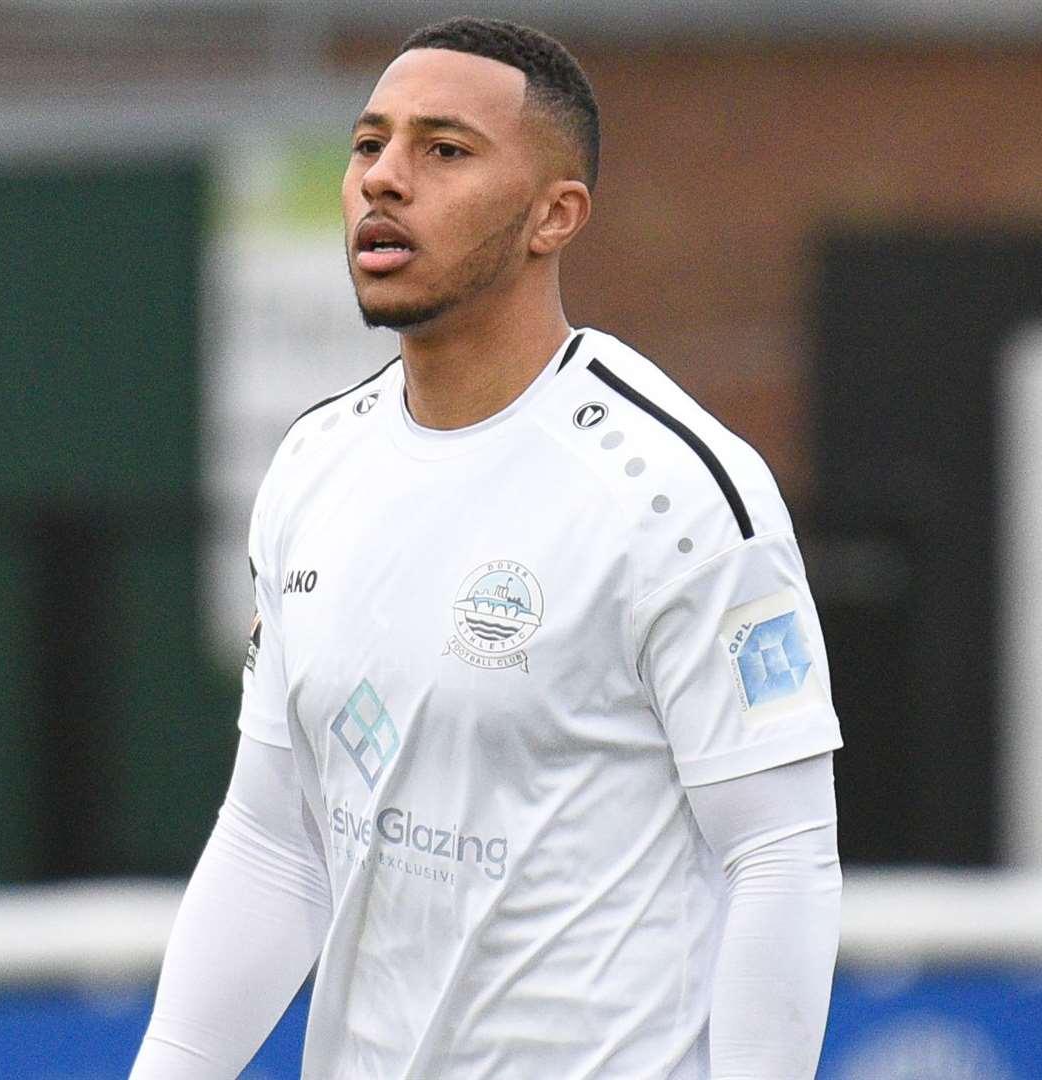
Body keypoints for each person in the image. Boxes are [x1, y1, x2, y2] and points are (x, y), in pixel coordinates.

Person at [130, 17, 841, 1079]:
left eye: (444, 150)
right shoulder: (314, 466)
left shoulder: (677, 493)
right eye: (369, 145)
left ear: (555, 215)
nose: (383, 180)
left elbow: (779, 855)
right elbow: (276, 844)